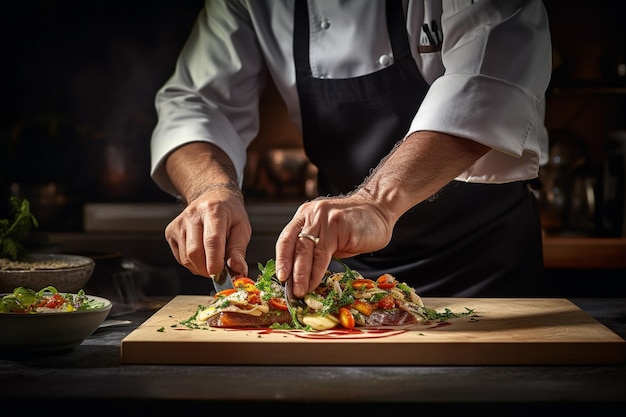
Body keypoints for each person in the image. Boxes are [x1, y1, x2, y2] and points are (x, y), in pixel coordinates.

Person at [150, 0, 554, 298]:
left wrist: (377, 203)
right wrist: (211, 190)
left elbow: (489, 81)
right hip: (349, 271)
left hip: (486, 265)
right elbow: (195, 102)